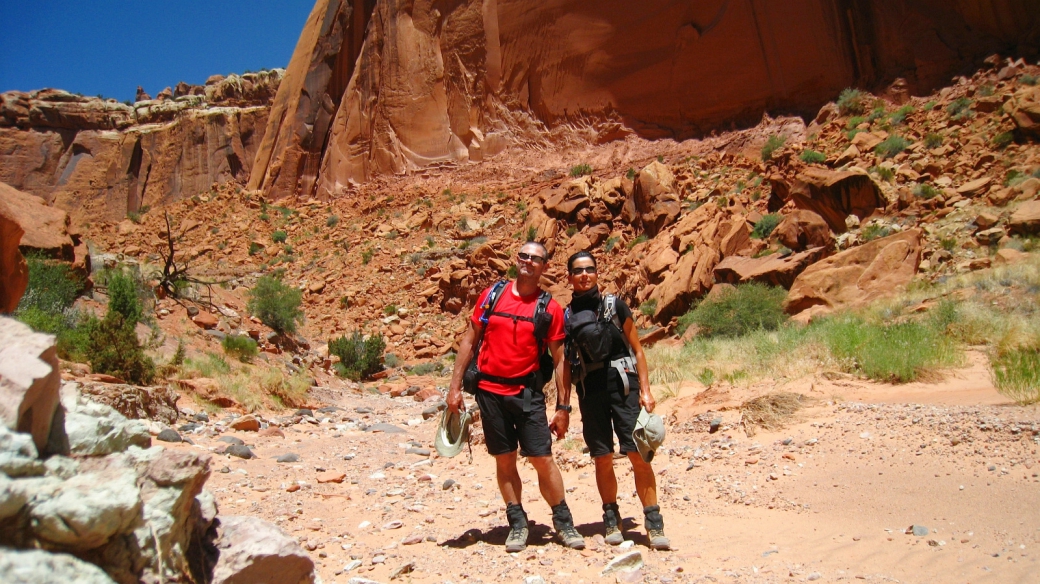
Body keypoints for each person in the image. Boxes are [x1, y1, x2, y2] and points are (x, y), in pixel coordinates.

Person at [447, 241, 585, 553]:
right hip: (490, 394)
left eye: (536, 259)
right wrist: (454, 387)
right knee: (504, 458)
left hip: (526, 395)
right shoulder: (491, 295)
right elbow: (470, 340)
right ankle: (517, 523)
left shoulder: (549, 308)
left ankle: (563, 522)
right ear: (516, 259)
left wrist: (563, 407)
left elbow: (561, 359)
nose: (528, 262)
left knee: (541, 458)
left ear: (545, 267)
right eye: (523, 256)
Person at [565, 250, 670, 550]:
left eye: (590, 269)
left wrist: (646, 390)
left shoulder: (615, 306)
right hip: (589, 389)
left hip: (624, 384)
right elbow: (563, 362)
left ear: (597, 273)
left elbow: (637, 349)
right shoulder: (567, 315)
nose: (585, 275)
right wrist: (563, 405)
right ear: (569, 277)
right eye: (578, 270)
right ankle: (611, 517)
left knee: (638, 453)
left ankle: (653, 522)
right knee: (601, 457)